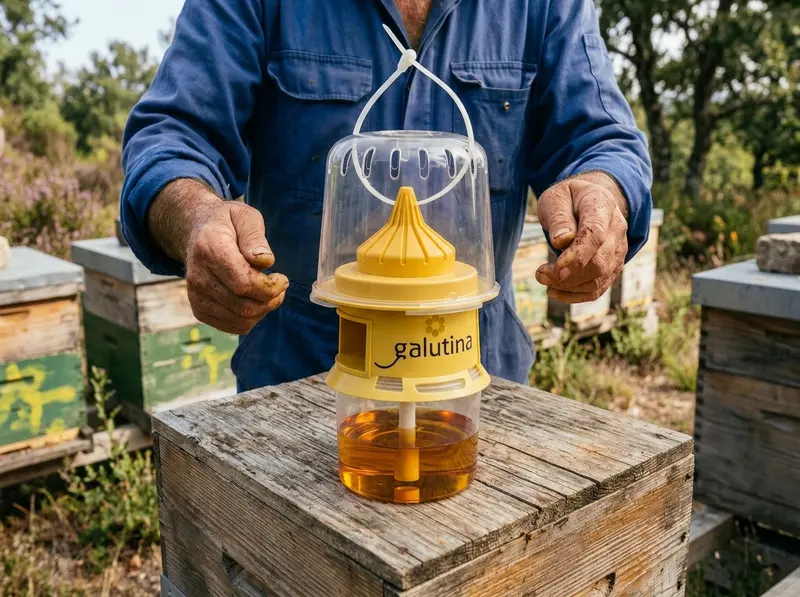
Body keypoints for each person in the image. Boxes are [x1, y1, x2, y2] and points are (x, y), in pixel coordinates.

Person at [120, 0, 653, 392]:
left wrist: (603, 189)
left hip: (479, 380)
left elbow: (603, 140)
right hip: (298, 382)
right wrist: (197, 214)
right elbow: (172, 135)